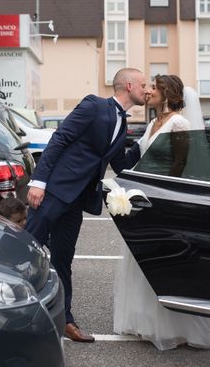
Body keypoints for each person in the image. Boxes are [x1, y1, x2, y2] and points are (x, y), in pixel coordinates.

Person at [113, 74, 210, 351]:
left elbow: (180, 164)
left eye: (153, 88)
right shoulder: (153, 123)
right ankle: (151, 324)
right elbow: (140, 158)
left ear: (167, 93)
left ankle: (181, 329)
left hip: (163, 201)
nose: (148, 92)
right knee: (146, 262)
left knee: (168, 264)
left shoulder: (179, 123)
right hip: (145, 199)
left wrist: (162, 198)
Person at [26, 67, 147, 343]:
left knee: (63, 259)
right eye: (143, 84)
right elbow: (60, 138)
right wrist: (39, 181)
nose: (147, 89)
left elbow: (121, 165)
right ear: (128, 85)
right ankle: (13, 316)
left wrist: (147, 140)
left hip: (77, 200)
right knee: (28, 252)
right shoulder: (94, 105)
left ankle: (65, 320)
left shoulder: (122, 124)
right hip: (54, 192)